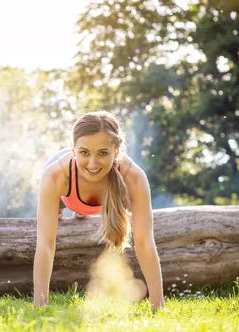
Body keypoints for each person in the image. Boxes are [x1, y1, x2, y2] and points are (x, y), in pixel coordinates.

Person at [33, 110, 165, 309]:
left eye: (103, 153)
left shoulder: (134, 178)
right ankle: (67, 209)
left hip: (111, 193)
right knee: (55, 212)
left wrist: (158, 305)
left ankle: (82, 209)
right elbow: (45, 244)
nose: (93, 163)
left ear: (117, 152)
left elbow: (145, 242)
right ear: (74, 150)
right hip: (67, 196)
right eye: (84, 152)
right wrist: (39, 304)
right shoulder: (55, 175)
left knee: (109, 195)